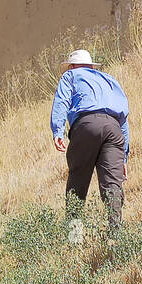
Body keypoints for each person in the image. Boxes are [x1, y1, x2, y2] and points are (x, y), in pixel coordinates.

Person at [51, 49, 130, 227]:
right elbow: (123, 116)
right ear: (92, 66)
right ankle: (115, 234)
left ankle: (74, 237)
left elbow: (61, 101)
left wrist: (58, 131)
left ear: (71, 66)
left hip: (86, 126)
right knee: (112, 184)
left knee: (77, 181)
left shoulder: (70, 75)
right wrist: (124, 156)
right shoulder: (109, 79)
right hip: (113, 129)